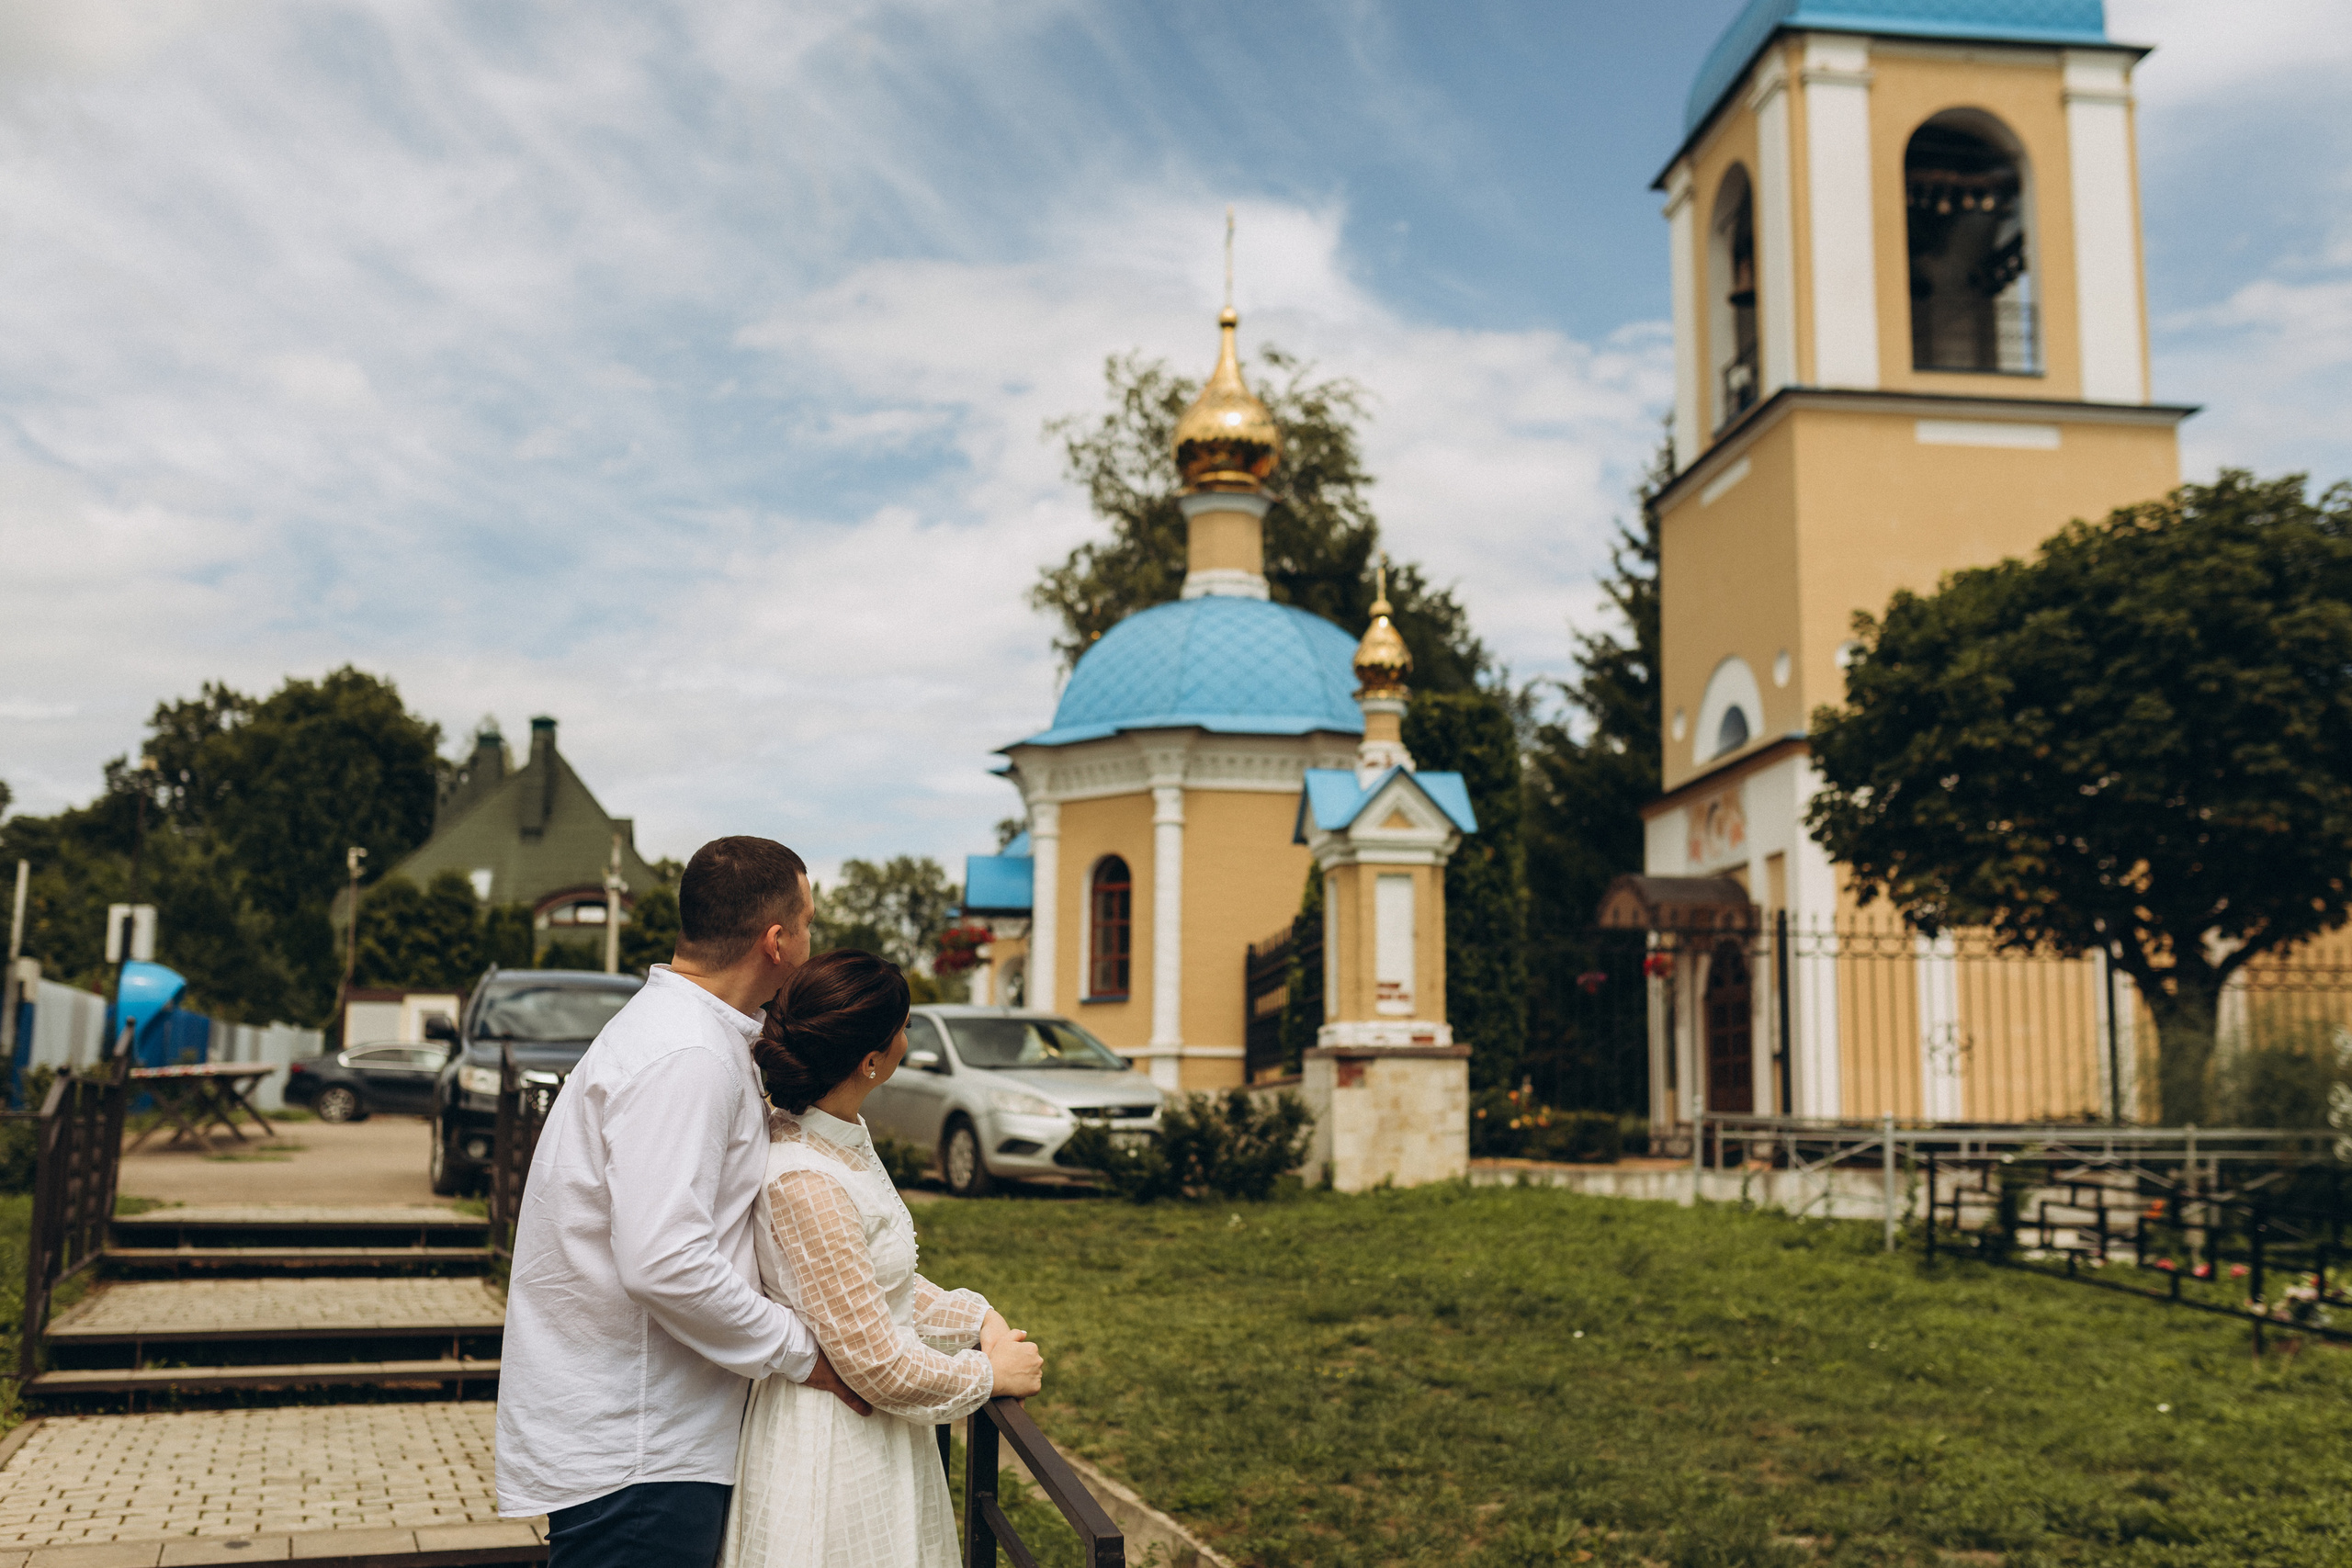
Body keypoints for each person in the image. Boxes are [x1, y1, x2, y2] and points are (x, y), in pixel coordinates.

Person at [497, 836, 874, 1568]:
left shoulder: (683, 1033)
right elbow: (665, 1260)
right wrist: (803, 1353)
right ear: (777, 940)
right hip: (643, 1450)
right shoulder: (687, 1055)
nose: (809, 939)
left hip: (642, 1440)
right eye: (809, 922)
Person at [720, 949, 1046, 1568]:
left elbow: (872, 1280)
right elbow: (875, 1363)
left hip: (881, 1438)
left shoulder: (837, 1134)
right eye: (902, 1026)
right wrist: (991, 1376)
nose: (908, 1036)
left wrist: (977, 1319)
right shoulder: (805, 1178)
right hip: (834, 1445)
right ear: (871, 1061)